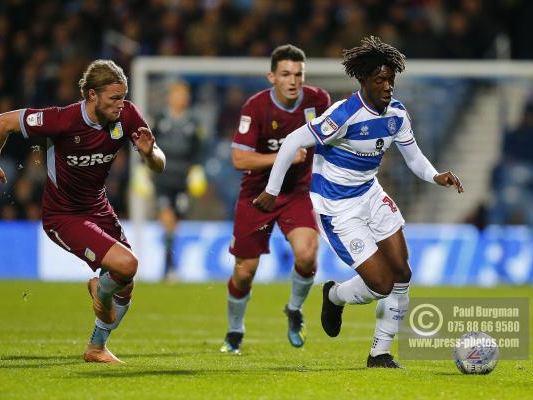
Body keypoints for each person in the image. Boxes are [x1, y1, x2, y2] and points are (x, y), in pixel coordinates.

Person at [254, 36, 464, 368]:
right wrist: (273, 189)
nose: (387, 86)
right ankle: (334, 295)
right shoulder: (344, 114)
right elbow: (295, 139)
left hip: (370, 194)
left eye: (391, 80)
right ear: (364, 80)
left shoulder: (396, 114)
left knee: (403, 274)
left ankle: (380, 354)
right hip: (337, 208)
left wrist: (436, 175)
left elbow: (414, 158)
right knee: (381, 284)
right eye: (380, 80)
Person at [0, 59, 166, 364]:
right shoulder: (63, 120)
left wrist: (149, 153)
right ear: (92, 95)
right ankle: (99, 290)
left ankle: (96, 347)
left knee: (125, 282)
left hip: (98, 207)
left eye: (123, 96)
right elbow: (1, 122)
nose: (121, 104)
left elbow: (159, 163)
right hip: (64, 216)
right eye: (113, 98)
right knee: (127, 265)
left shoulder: (127, 114)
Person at [221, 44, 331, 354]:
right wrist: (282, 156)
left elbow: (332, 137)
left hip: (297, 194)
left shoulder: (318, 100)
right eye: (285, 74)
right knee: (244, 272)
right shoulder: (255, 108)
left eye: (298, 74)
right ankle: (234, 330)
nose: (293, 80)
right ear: (272, 76)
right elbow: (239, 160)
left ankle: (294, 310)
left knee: (308, 255)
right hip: (257, 195)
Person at [152, 80, 203, 281]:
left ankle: (169, 266)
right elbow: (145, 144)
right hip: (162, 179)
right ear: (170, 97)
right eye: (178, 94)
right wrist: (143, 169)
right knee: (168, 221)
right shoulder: (159, 119)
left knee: (176, 224)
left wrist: (198, 169)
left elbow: (199, 150)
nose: (181, 98)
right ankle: (169, 268)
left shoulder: (193, 122)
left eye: (184, 95)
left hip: (182, 181)